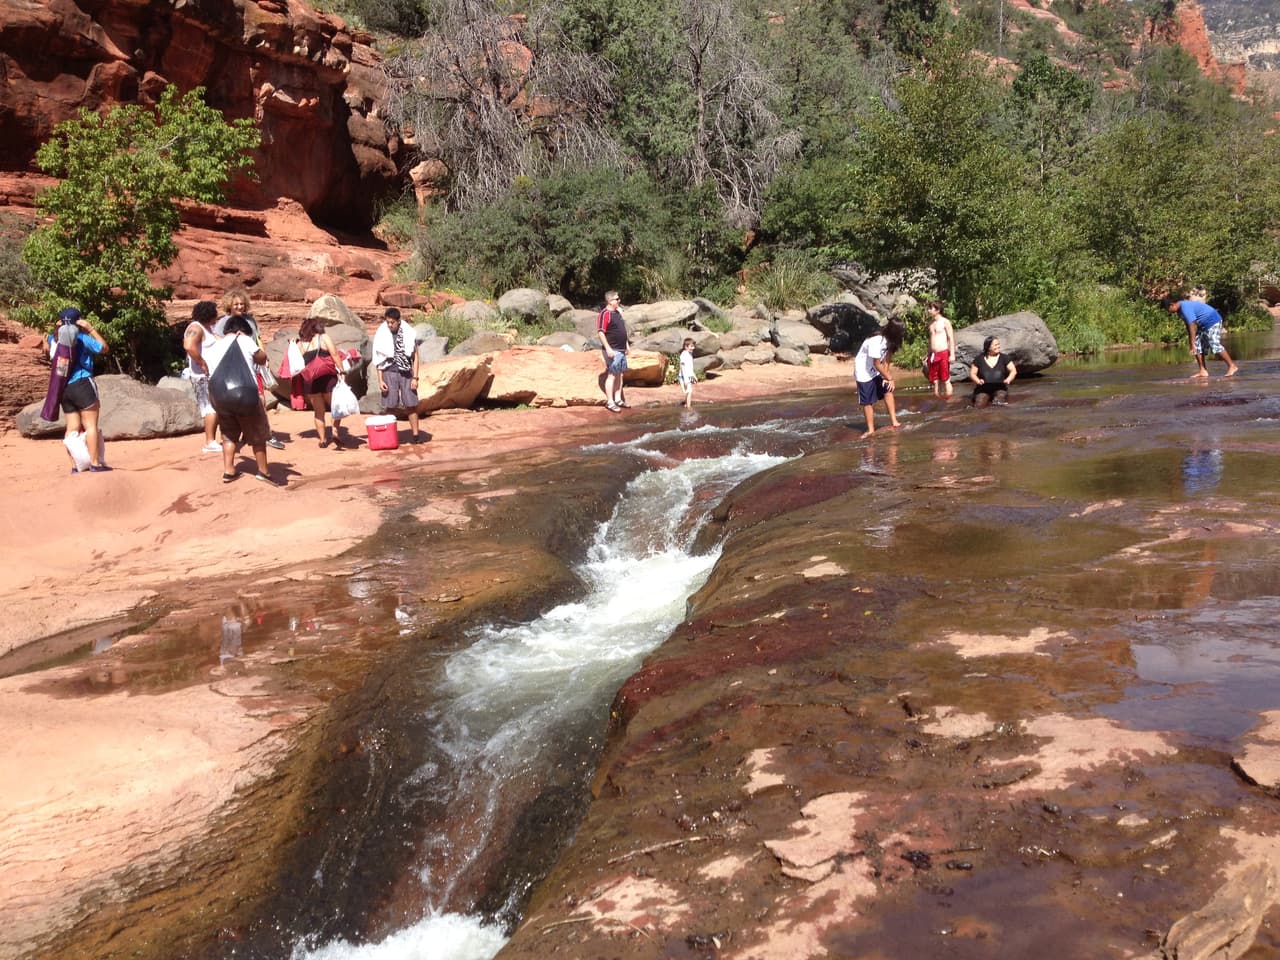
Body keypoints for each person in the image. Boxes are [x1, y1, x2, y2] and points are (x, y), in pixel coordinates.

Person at [205, 314, 278, 484]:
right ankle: (263, 471)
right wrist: (248, 340)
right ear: (241, 330)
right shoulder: (244, 340)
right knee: (257, 432)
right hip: (243, 392)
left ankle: (229, 470)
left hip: (218, 395)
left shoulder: (216, 345)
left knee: (228, 433)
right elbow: (262, 358)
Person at [215, 286, 284, 449]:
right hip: (233, 368)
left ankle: (262, 433)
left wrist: (263, 355)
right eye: (236, 304)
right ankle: (235, 435)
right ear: (230, 305)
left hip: (253, 364)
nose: (239, 307)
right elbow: (217, 338)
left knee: (260, 398)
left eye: (242, 304)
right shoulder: (223, 322)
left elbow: (257, 339)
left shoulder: (250, 321)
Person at [46, 307, 112, 473]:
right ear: (79, 321)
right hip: (83, 384)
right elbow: (104, 348)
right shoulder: (83, 338)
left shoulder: (52, 339)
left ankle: (76, 466)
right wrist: (91, 329)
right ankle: (95, 463)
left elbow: (48, 348)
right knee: (90, 426)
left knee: (71, 428)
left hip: (64, 387)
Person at [372, 307, 424, 444]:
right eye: (388, 322)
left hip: (406, 373)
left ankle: (416, 435)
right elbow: (379, 359)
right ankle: (389, 435)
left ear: (398, 321)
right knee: (390, 406)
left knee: (411, 404)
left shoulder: (408, 334)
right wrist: (380, 379)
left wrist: (415, 378)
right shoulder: (382, 334)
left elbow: (416, 357)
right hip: (389, 372)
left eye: (392, 322)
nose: (389, 325)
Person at [297, 315, 349, 449]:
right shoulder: (324, 338)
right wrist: (342, 371)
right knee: (336, 407)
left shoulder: (300, 344)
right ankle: (335, 431)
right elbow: (335, 354)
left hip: (310, 381)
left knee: (318, 411)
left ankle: (322, 439)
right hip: (327, 378)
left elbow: (297, 364)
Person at [1167, 294, 1238, 379]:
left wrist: (1192, 343)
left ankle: (1232, 366)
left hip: (1212, 320)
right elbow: (1188, 325)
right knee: (1196, 345)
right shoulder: (1179, 311)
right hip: (1202, 325)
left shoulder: (1184, 307)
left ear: (1172, 305)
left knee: (1214, 343)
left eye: (1168, 309)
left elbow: (1192, 324)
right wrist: (1191, 342)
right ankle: (1203, 370)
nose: (1168, 311)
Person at [854, 317, 904, 437]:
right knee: (868, 402)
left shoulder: (890, 341)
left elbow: (887, 360)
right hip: (864, 372)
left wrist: (886, 378)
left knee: (888, 390)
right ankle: (870, 429)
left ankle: (894, 421)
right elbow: (877, 363)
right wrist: (890, 378)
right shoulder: (876, 341)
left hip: (876, 371)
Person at [183, 300, 222, 454]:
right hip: (203, 376)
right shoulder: (195, 328)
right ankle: (210, 442)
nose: (217, 317)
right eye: (215, 314)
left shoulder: (207, 329)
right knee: (210, 407)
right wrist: (202, 363)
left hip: (212, 375)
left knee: (215, 406)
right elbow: (188, 345)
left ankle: (213, 439)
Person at [597, 290, 629, 412]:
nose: (619, 301)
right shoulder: (604, 314)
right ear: (610, 301)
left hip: (621, 349)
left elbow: (622, 330)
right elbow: (601, 332)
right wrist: (608, 348)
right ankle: (610, 402)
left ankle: (618, 399)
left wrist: (626, 345)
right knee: (612, 375)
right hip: (613, 350)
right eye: (617, 299)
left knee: (620, 374)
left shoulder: (617, 313)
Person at [969, 335, 1017, 406]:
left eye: (998, 344)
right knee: (979, 404)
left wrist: (1008, 379)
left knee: (998, 402)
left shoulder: (1004, 358)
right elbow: (972, 373)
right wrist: (977, 381)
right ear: (988, 347)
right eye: (995, 345)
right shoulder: (979, 359)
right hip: (982, 389)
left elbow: (1013, 370)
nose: (998, 346)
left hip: (1000, 388)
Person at [925, 301, 956, 399]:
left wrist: (952, 354)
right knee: (935, 379)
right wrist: (928, 354)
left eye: (931, 308)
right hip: (933, 354)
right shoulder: (930, 323)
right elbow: (930, 340)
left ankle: (949, 399)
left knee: (945, 378)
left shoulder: (945, 322)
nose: (929, 310)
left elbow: (951, 338)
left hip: (943, 352)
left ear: (937, 310)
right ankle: (938, 399)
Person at [677, 337, 696, 409]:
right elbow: (682, 366)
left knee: (688, 391)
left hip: (688, 376)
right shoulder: (684, 354)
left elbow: (690, 367)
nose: (693, 348)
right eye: (691, 346)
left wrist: (694, 375)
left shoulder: (690, 354)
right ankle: (689, 407)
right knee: (689, 391)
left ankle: (685, 403)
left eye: (693, 346)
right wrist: (685, 378)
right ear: (686, 347)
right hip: (684, 376)